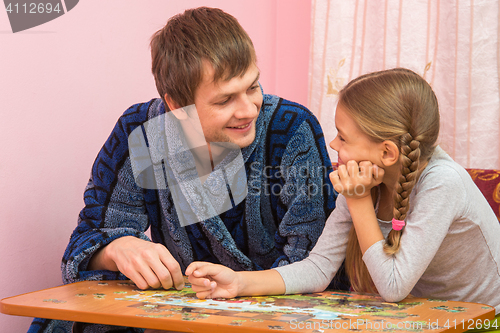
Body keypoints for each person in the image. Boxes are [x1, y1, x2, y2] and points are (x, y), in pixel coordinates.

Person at [28, 6, 342, 333]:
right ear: (177, 106)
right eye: (224, 100)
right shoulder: (143, 133)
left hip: (275, 308)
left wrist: (237, 288)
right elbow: (83, 248)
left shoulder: (292, 129)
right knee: (64, 321)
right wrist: (118, 248)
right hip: (180, 314)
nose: (248, 109)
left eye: (252, 86)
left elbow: (314, 262)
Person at [186, 68, 500, 322]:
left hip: (484, 322)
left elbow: (392, 286)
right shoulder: (365, 178)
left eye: (344, 137)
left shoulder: (442, 182)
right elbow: (319, 268)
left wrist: (360, 200)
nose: (334, 145)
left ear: (387, 153)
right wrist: (239, 283)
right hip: (426, 319)